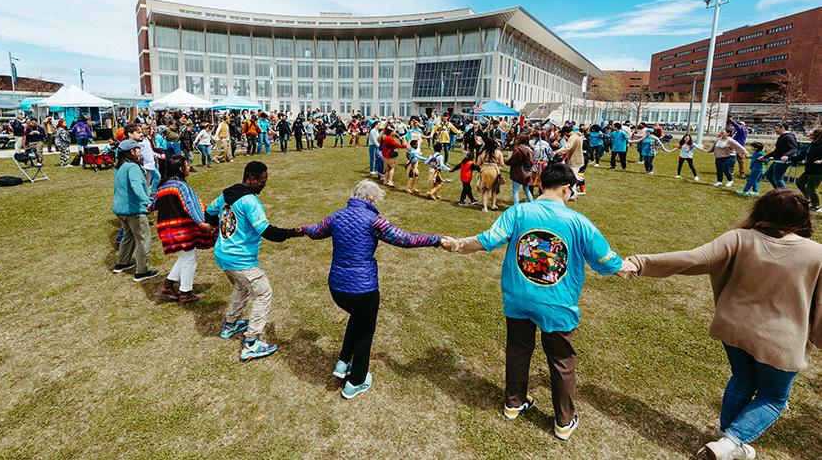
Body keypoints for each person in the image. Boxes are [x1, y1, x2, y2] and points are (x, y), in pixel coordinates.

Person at [618, 189, 822, 460]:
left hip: (733, 328)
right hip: (781, 342)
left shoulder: (740, 238)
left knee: (742, 380)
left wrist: (640, 262)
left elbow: (693, 257)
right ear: (803, 218)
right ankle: (731, 441)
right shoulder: (816, 253)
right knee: (774, 398)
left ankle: (729, 442)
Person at [443, 163, 623, 440]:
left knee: (518, 349)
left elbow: (487, 239)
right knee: (562, 359)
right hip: (557, 303)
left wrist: (458, 244)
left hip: (518, 297)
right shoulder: (578, 222)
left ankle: (513, 403)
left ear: (540, 186)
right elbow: (605, 259)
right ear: (566, 188)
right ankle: (564, 421)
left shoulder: (517, 212)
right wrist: (629, 267)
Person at [301, 180, 442, 399]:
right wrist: (436, 239)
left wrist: (301, 229)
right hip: (363, 290)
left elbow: (316, 231)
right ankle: (356, 382)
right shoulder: (373, 221)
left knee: (356, 319)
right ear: (372, 199)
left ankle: (342, 363)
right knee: (365, 333)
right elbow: (405, 239)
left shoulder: (336, 217)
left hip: (337, 288)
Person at [204, 161, 303, 361]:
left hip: (223, 255)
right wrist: (293, 233)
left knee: (242, 287)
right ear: (252, 179)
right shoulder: (250, 201)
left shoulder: (227, 194)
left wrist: (215, 226)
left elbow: (210, 212)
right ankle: (251, 343)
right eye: (263, 180)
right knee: (263, 292)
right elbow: (266, 231)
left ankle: (230, 325)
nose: (265, 184)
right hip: (240, 259)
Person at [153, 155, 217, 304]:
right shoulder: (181, 186)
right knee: (190, 260)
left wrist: (146, 207)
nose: (188, 168)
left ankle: (168, 285)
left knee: (185, 256)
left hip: (165, 229)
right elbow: (190, 206)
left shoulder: (163, 186)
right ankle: (185, 293)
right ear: (181, 168)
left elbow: (154, 205)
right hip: (180, 229)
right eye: (187, 165)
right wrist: (201, 223)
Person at [112, 139, 159, 282]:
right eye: (138, 148)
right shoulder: (132, 167)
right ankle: (142, 271)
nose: (140, 151)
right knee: (143, 238)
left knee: (129, 236)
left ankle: (122, 262)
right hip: (133, 210)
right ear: (132, 151)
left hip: (120, 209)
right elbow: (136, 186)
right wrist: (147, 202)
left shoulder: (120, 167)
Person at [794, 128, 822, 211]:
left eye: (811, 133)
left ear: (816, 135)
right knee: (799, 182)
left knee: (811, 188)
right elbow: (802, 155)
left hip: (818, 171)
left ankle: (817, 206)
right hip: (809, 170)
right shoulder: (812, 144)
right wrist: (789, 158)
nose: (809, 134)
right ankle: (808, 200)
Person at [763, 123, 797, 189]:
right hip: (777, 160)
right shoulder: (782, 136)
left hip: (782, 162)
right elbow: (777, 151)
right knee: (769, 175)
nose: (775, 130)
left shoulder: (789, 137)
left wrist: (786, 155)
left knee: (778, 178)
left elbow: (794, 149)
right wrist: (765, 157)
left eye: (776, 128)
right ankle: (778, 192)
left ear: (782, 128)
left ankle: (784, 196)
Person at [476, 136, 505, 212]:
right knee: (494, 189)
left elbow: (478, 163)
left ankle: (485, 208)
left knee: (485, 190)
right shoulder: (498, 152)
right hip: (494, 171)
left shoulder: (483, 152)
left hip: (484, 171)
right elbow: (502, 163)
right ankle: (493, 205)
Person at [506, 134, 535, 204]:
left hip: (518, 172)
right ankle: (532, 205)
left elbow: (511, 161)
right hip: (527, 172)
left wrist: (505, 161)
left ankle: (516, 207)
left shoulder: (519, 150)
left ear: (519, 140)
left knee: (515, 191)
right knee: (526, 189)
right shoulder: (529, 149)